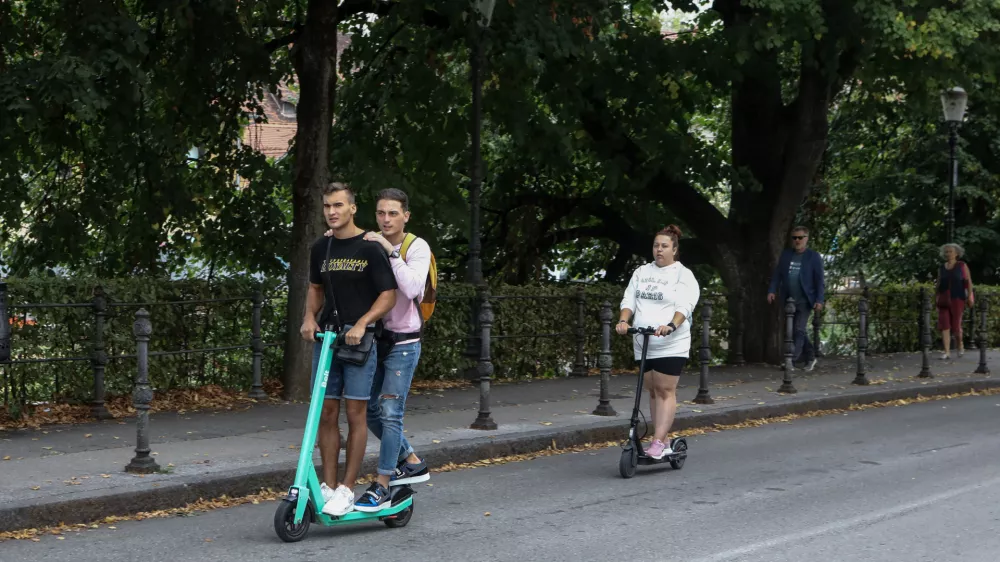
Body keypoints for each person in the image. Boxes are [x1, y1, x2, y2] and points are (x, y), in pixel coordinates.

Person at [326, 188, 432, 512]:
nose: (386, 219)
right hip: (376, 341)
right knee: (370, 410)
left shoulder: (416, 247)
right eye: (381, 213)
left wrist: (390, 250)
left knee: (390, 412)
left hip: (404, 343)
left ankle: (383, 484)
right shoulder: (369, 243)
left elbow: (413, 286)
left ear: (406, 216)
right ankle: (410, 459)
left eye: (393, 213)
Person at [300, 182, 397, 516]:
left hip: (359, 342)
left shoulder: (369, 247)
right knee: (325, 413)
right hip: (327, 339)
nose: (332, 212)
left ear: (352, 208)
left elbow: (388, 294)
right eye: (328, 206)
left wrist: (363, 323)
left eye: (338, 205)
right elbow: (315, 288)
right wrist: (309, 317)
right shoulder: (320, 248)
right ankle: (328, 485)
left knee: (355, 413)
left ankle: (347, 487)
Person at [615, 225, 700, 459]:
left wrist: (671, 325)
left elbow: (685, 305)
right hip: (644, 340)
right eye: (656, 245)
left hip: (671, 342)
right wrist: (624, 321)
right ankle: (661, 437)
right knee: (652, 390)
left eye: (664, 246)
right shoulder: (642, 272)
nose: (659, 250)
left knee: (665, 390)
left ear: (674, 248)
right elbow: (629, 298)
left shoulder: (683, 275)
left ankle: (658, 441)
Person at [767, 226, 825, 371]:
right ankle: (811, 357)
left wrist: (819, 299)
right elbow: (778, 275)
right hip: (789, 300)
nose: (797, 240)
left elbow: (819, 280)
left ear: (806, 238)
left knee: (798, 329)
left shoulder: (813, 256)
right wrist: (772, 290)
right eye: (795, 238)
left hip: (805, 299)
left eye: (800, 237)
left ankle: (791, 360)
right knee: (796, 330)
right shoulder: (786, 255)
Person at [936, 243, 974, 360]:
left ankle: (959, 345)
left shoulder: (962, 265)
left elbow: (968, 282)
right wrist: (936, 299)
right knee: (945, 325)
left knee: (956, 326)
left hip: (958, 298)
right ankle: (946, 352)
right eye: (946, 252)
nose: (948, 254)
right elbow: (938, 284)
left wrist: (969, 297)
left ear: (957, 253)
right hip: (943, 299)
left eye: (950, 251)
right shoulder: (942, 267)